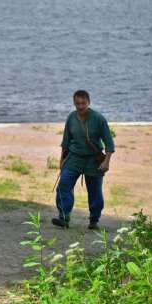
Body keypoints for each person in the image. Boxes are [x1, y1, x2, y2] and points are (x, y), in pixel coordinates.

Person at [52, 90, 114, 231]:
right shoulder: (71, 118)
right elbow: (66, 141)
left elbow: (109, 142)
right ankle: (63, 218)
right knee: (64, 185)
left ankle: (94, 220)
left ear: (88, 102)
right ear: (74, 103)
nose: (80, 106)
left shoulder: (98, 118)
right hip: (74, 157)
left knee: (95, 192)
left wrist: (106, 162)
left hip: (94, 159)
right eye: (77, 103)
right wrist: (61, 160)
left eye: (83, 103)